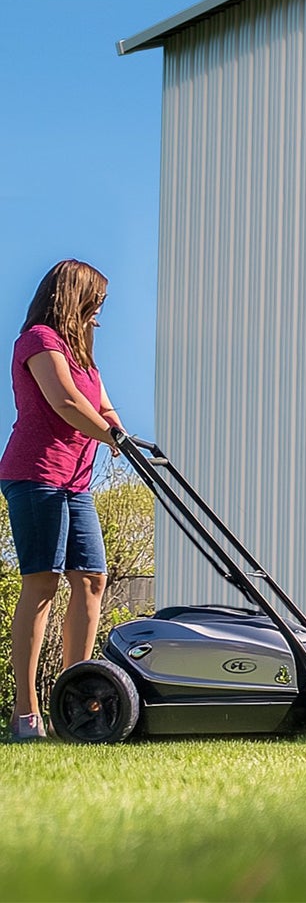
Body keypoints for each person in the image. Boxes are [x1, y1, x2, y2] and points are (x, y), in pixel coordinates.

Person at [1, 260, 121, 742]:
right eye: (95, 304)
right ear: (76, 297)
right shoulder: (39, 341)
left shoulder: (82, 351)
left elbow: (101, 403)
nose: (99, 315)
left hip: (76, 482)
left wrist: (121, 433)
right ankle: (26, 713)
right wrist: (110, 436)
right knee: (43, 584)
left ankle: (76, 700)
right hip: (36, 476)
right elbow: (68, 404)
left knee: (92, 580)